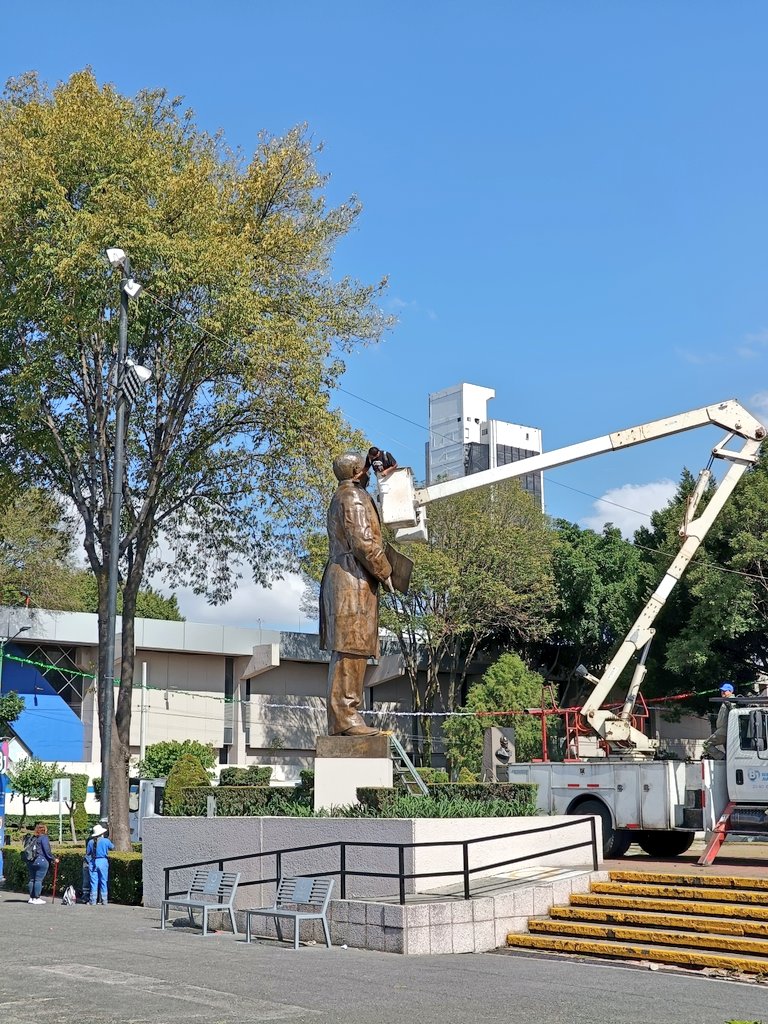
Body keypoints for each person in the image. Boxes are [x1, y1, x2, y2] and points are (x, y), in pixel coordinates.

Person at [319, 450, 393, 736]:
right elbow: (363, 542)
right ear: (355, 473)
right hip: (352, 580)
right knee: (351, 648)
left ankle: (345, 717)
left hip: (349, 577)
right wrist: (386, 571)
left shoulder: (346, 494)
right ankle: (346, 717)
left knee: (352, 649)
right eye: (365, 468)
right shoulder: (352, 497)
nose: (368, 472)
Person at [26, 821, 58, 905]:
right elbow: (47, 851)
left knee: (32, 879)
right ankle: (37, 898)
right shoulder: (44, 838)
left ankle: (32, 898)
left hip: (31, 860)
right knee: (38, 880)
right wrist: (54, 858)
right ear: (45, 830)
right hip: (41, 860)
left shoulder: (34, 838)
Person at [703, 681, 736, 760]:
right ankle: (726, 759)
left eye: (725, 691)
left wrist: (728, 704)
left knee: (706, 744)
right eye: (722, 691)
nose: (722, 692)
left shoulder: (732, 700)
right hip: (723, 730)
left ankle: (722, 757)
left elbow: (734, 711)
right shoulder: (726, 701)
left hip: (724, 731)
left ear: (730, 691)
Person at [86, 823, 114, 905]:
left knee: (93, 882)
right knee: (103, 881)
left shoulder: (90, 842)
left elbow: (88, 853)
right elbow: (112, 847)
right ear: (102, 833)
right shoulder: (106, 841)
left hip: (93, 862)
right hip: (103, 861)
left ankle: (93, 900)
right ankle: (104, 900)